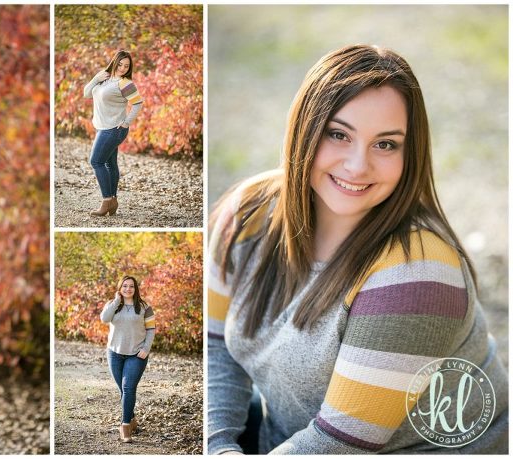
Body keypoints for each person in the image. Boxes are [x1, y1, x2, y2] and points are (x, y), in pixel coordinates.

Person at [207, 45, 508, 454]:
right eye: (338, 134)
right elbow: (215, 346)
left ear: (409, 154)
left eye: (385, 144)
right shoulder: (247, 213)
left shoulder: (418, 274)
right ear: (304, 130)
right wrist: (218, 445)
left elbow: (338, 444)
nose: (356, 166)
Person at [83, 50, 144, 217]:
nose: (123, 68)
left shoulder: (125, 83)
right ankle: (113, 201)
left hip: (114, 129)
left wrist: (126, 122)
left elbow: (138, 103)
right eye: (121, 64)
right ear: (114, 62)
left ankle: (106, 200)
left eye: (127, 66)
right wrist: (96, 78)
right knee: (109, 164)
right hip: (103, 127)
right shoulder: (104, 78)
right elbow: (87, 93)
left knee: (96, 161)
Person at [100, 275, 156, 443]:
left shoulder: (145, 307)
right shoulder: (113, 305)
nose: (128, 289)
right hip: (114, 353)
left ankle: (125, 426)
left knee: (128, 388)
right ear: (120, 288)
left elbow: (151, 329)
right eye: (124, 286)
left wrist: (146, 349)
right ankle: (132, 419)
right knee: (123, 390)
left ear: (135, 288)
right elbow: (104, 319)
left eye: (131, 286)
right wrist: (117, 301)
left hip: (136, 355)